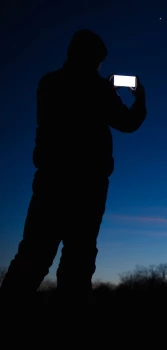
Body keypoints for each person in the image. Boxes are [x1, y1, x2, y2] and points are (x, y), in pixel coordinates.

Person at [0, 29, 147, 306]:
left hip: (50, 182)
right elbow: (127, 123)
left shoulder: (49, 83)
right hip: (87, 187)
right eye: (99, 62)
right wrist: (140, 98)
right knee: (77, 263)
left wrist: (102, 88)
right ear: (95, 60)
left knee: (32, 256)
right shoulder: (97, 89)